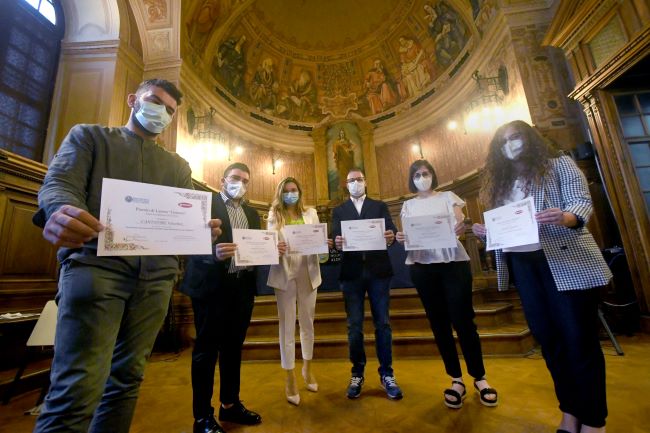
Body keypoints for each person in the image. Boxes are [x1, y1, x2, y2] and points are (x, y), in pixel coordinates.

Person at [32, 79, 222, 433]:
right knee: (77, 388)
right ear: (133, 99)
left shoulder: (178, 166)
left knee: (127, 380)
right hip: (95, 269)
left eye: (170, 110)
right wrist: (59, 209)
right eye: (155, 102)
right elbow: (60, 184)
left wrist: (201, 228)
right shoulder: (89, 137)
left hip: (156, 279)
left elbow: (185, 217)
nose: (162, 113)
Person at [472, 120, 612, 433]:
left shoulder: (558, 164)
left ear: (530, 138)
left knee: (579, 341)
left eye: (516, 136)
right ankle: (570, 412)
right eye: (504, 141)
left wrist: (567, 216)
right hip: (525, 267)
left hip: (565, 260)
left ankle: (593, 421)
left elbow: (581, 200)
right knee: (550, 342)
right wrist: (487, 234)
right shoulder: (501, 184)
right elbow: (506, 229)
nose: (511, 144)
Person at [396, 159, 497, 409]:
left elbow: (459, 227)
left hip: (453, 262)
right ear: (411, 178)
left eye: (426, 172)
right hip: (422, 266)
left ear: (433, 174)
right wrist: (401, 237)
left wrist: (460, 229)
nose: (422, 177)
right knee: (439, 324)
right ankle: (456, 380)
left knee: (463, 320)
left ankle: (480, 377)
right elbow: (407, 235)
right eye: (417, 174)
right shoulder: (407, 205)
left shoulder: (449, 196)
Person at [180, 162, 272, 433]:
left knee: (233, 348)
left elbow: (255, 249)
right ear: (222, 180)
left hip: (241, 288)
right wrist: (212, 254)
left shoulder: (252, 214)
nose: (240, 184)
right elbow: (185, 241)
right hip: (211, 287)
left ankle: (230, 405)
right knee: (206, 351)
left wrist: (270, 249)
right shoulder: (204, 205)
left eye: (245, 180)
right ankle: (202, 417)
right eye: (235, 178)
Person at [331, 168, 403, 400]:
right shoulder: (339, 210)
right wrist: (337, 242)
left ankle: (387, 373)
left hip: (378, 271)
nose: (356, 183)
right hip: (351, 273)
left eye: (359, 179)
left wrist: (391, 235)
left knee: (382, 323)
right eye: (351, 180)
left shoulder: (379, 206)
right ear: (346, 184)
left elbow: (390, 229)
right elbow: (335, 238)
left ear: (366, 181)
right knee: (354, 327)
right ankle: (357, 373)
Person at [267, 177, 324, 405]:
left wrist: (322, 245)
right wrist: (275, 247)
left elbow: (318, 242)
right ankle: (289, 375)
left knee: (308, 323)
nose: (291, 194)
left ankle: (307, 369)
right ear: (281, 194)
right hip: (284, 273)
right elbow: (268, 245)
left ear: (300, 192)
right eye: (287, 191)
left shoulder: (311, 213)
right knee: (287, 326)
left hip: (308, 272)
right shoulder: (274, 215)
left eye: (294, 190)